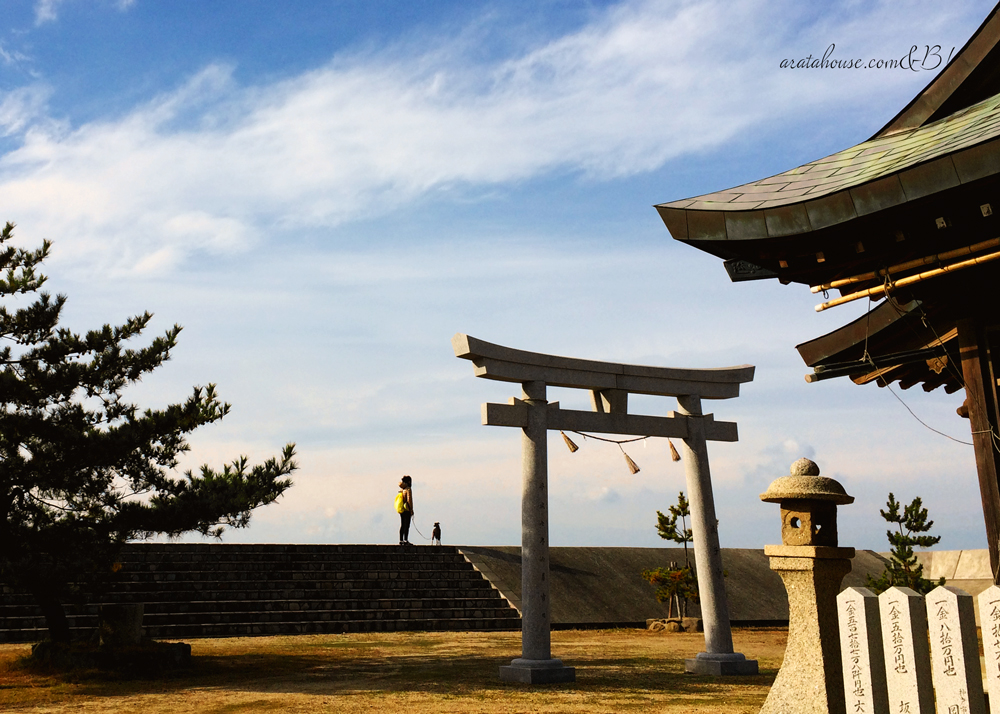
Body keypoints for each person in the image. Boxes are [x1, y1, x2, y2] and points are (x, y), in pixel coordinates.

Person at [396, 475, 413, 545]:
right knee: (407, 525)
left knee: (402, 524)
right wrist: (411, 509)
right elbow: (409, 500)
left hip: (402, 509)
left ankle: (401, 540)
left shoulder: (401, 490)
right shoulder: (408, 489)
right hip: (407, 509)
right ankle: (405, 539)